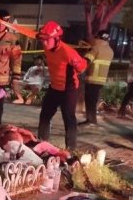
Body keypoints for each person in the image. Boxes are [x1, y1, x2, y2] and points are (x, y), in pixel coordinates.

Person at [36, 21, 88, 150]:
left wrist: (80, 62)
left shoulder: (68, 52)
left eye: (47, 40)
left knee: (69, 118)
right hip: (54, 87)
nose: (44, 42)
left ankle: (70, 149)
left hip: (68, 89)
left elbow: (82, 67)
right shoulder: (48, 48)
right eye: (43, 40)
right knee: (45, 115)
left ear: (57, 38)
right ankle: (42, 144)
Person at [80, 29, 114, 126]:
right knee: (94, 101)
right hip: (101, 80)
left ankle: (90, 120)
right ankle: (92, 120)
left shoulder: (96, 48)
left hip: (91, 79)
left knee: (89, 101)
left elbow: (86, 60)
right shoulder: (110, 51)